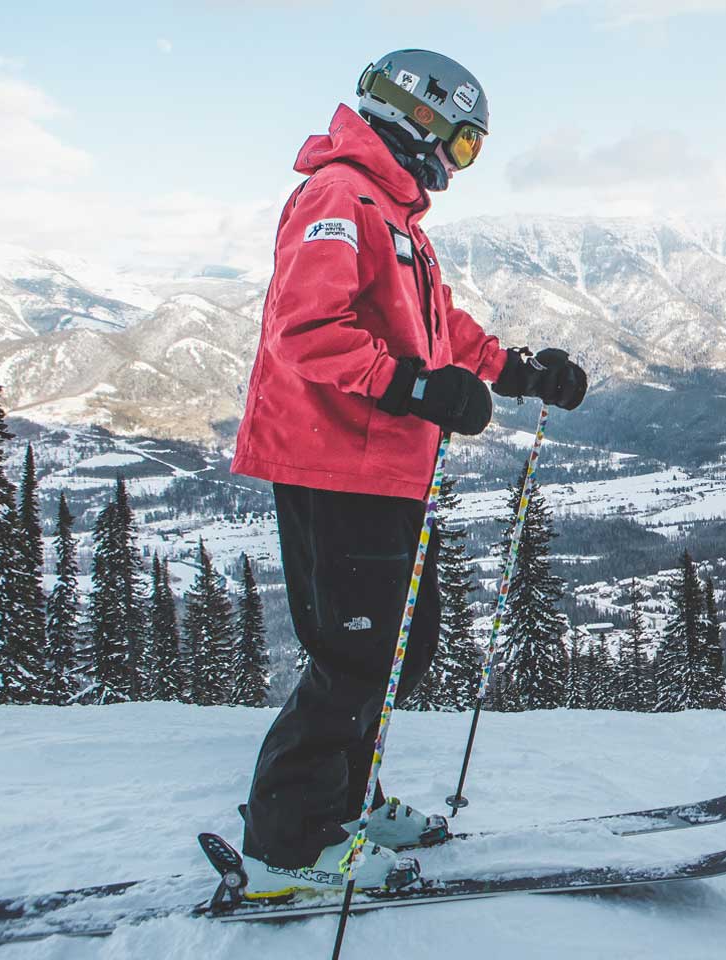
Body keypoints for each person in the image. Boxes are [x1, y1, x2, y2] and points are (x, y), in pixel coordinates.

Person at [229, 49, 588, 899]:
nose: (459, 164)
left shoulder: (392, 214)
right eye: (461, 144)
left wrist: (518, 372)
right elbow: (306, 332)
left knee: (399, 647)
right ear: (416, 116)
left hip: (381, 464)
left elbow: (438, 328)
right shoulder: (336, 198)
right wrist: (415, 387)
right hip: (333, 461)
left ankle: (347, 799)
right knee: (356, 655)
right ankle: (286, 844)